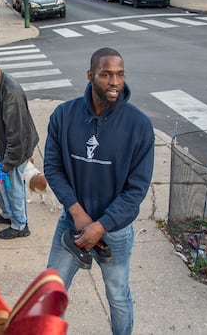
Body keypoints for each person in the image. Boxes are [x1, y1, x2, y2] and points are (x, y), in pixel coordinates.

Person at [45, 47, 154, 335]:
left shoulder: (139, 126)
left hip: (115, 230)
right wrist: (77, 212)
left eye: (119, 75)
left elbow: (136, 190)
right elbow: (53, 168)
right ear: (91, 75)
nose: (115, 82)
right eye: (106, 75)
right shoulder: (63, 116)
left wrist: (102, 225)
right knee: (50, 294)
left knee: (118, 297)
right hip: (73, 225)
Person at [0, 56, 39, 239]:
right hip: (3, 147)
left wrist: (8, 163)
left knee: (12, 187)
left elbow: (17, 135)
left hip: (14, 151)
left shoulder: (11, 93)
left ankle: (20, 225)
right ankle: (7, 215)